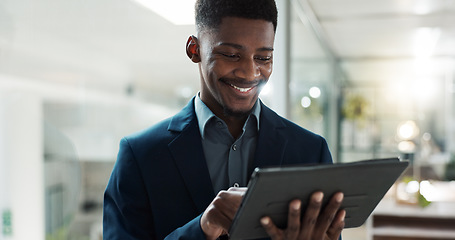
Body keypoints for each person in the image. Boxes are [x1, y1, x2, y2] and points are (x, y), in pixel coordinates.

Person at [103, 0, 345, 239]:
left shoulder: (311, 152)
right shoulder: (140, 156)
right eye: (231, 54)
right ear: (194, 49)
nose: (250, 73)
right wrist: (203, 227)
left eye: (263, 58)